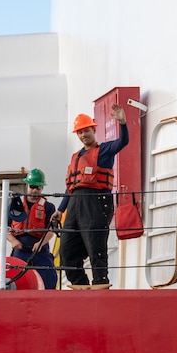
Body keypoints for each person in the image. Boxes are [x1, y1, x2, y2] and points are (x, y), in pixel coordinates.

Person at [58, 105, 128, 289]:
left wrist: (122, 123)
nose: (83, 135)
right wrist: (60, 210)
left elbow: (123, 142)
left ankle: (100, 281)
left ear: (93, 130)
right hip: (74, 204)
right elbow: (70, 187)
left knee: (95, 244)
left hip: (96, 202)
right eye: (80, 132)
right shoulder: (75, 157)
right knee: (66, 248)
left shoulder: (104, 150)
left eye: (86, 130)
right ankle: (79, 282)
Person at [9, 169, 58, 289]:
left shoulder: (49, 207)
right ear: (27, 186)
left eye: (38, 187)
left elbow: (50, 230)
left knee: (49, 280)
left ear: (42, 189)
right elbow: (5, 228)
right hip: (20, 251)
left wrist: (41, 243)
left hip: (40, 251)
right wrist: (13, 241)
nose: (35, 190)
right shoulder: (15, 205)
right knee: (16, 281)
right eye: (32, 186)